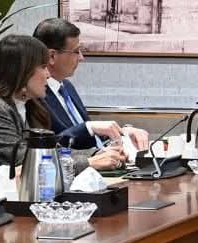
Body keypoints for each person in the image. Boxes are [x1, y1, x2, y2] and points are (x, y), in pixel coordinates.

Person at [0, 35, 126, 173]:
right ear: (21, 71)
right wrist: (89, 162)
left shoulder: (29, 104)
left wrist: (97, 154)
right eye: (43, 67)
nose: (48, 75)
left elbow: (51, 150)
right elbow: (24, 159)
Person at [32, 18, 147, 151]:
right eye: (76, 51)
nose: (81, 58)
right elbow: (48, 146)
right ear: (52, 56)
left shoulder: (66, 86)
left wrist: (124, 132)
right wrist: (89, 127)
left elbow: (89, 136)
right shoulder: (35, 93)